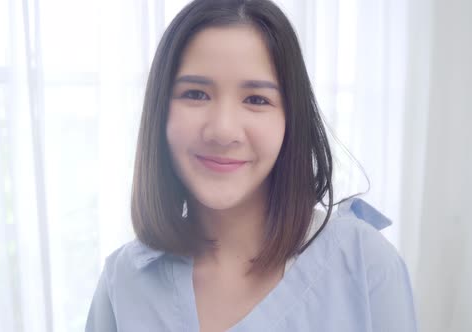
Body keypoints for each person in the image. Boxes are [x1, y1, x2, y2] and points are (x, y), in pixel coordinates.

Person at [86, 0, 418, 331]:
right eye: (196, 94)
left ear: (291, 119)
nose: (223, 130)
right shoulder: (123, 284)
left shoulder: (364, 265)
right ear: (160, 111)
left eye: (257, 100)